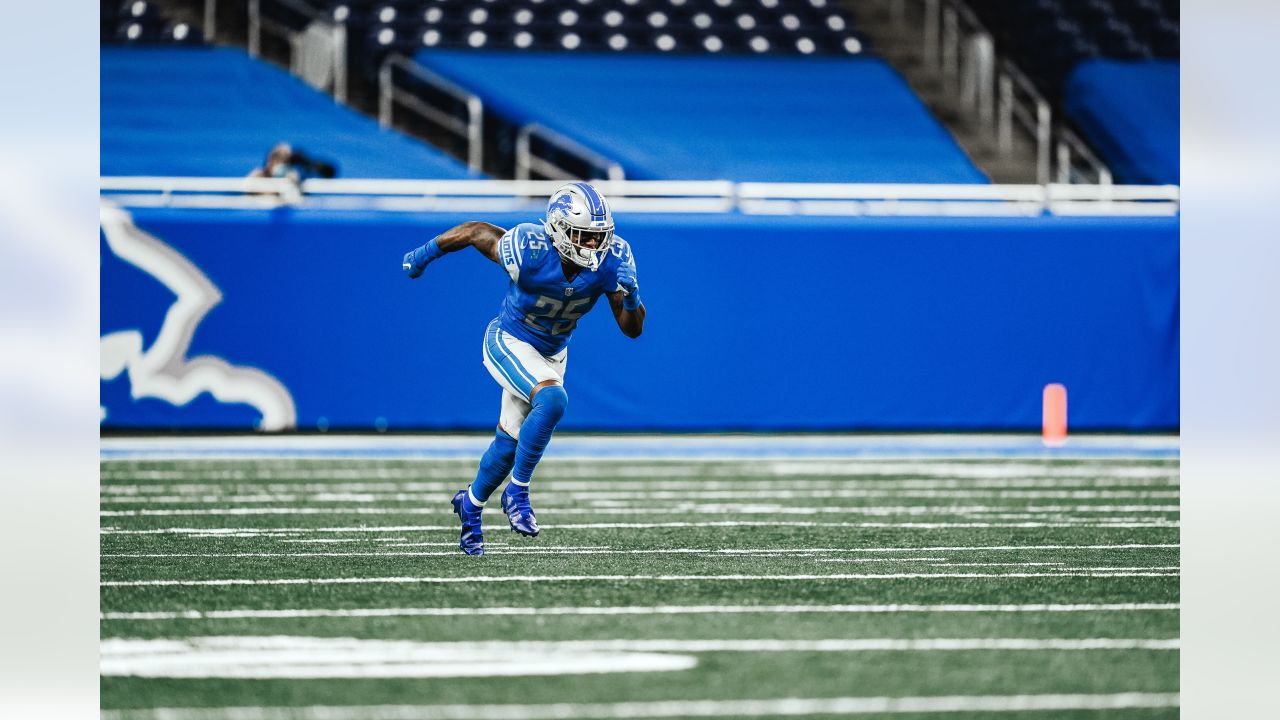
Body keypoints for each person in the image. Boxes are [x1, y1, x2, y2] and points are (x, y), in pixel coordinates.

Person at [402, 182, 646, 555]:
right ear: (559, 230)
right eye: (584, 236)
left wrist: (631, 299)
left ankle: (470, 504)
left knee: (508, 443)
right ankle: (518, 491)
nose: (593, 246)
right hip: (510, 339)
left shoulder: (613, 259)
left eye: (599, 237)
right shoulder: (530, 248)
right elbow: (475, 232)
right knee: (552, 400)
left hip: (552, 353)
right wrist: (425, 254)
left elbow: (632, 330)